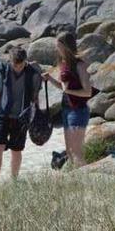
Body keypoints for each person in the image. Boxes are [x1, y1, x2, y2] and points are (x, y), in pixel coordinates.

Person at [0, 47, 42, 182]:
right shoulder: (1, 72)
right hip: (2, 115)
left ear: (25, 61)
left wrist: (36, 118)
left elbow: (35, 98)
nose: (18, 68)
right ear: (10, 61)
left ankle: (14, 181)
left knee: (16, 150)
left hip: (22, 117)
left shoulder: (32, 74)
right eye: (15, 65)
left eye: (21, 65)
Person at [42, 32, 94, 168]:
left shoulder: (80, 65)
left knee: (77, 151)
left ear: (65, 46)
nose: (56, 48)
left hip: (78, 111)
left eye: (58, 45)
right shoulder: (63, 63)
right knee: (70, 151)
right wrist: (51, 79)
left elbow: (87, 91)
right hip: (66, 109)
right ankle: (75, 179)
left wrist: (68, 91)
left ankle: (84, 179)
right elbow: (64, 87)